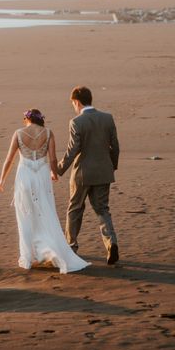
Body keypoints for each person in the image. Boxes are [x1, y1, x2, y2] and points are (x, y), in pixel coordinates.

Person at [0, 108, 90, 274]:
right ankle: (47, 249)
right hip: (41, 175)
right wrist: (54, 173)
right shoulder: (48, 133)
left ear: (27, 119)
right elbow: (53, 158)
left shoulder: (19, 133)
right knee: (46, 212)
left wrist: (2, 179)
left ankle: (28, 256)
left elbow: (10, 158)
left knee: (25, 214)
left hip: (24, 175)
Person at [57, 86, 120, 265]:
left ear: (77, 102)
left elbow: (72, 150)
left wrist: (59, 169)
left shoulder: (77, 122)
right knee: (102, 209)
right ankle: (111, 243)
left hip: (82, 173)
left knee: (75, 208)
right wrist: (112, 166)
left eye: (73, 104)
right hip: (103, 171)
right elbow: (115, 146)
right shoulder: (107, 119)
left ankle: (71, 246)